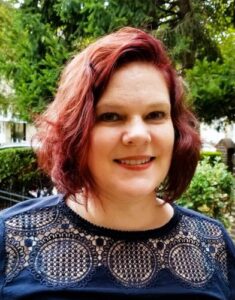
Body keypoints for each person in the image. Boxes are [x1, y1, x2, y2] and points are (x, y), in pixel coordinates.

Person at [0, 27, 234, 300]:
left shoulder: (214, 244)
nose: (138, 135)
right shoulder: (11, 238)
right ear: (75, 131)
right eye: (111, 116)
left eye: (155, 114)